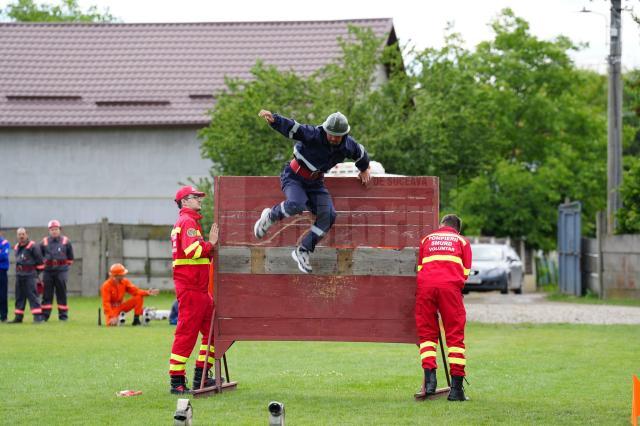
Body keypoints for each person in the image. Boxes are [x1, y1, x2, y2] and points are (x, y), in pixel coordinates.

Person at [254, 110, 371, 273]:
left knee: (329, 215)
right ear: (326, 130)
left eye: (338, 136)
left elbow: (361, 153)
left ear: (344, 134)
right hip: (294, 176)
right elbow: (294, 128)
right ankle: (269, 216)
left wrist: (364, 169)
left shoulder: (348, 145)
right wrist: (275, 120)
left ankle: (303, 250)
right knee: (296, 204)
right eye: (330, 134)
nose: (333, 138)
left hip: (315, 182)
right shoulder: (314, 134)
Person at [415, 214, 472, 402]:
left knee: (427, 336)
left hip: (426, 288)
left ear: (441, 225)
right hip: (450, 289)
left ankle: (430, 382)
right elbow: (465, 273)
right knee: (455, 337)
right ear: (457, 229)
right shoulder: (462, 242)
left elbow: (420, 266)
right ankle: (456, 390)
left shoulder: (426, 239)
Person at [169, 185, 219, 394]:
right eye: (195, 197)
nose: (200, 200)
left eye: (199, 197)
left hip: (199, 290)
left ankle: (202, 375)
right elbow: (193, 251)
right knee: (186, 334)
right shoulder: (187, 222)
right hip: (191, 289)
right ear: (184, 201)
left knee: (213, 332)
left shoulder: (189, 222)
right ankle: (177, 381)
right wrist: (211, 244)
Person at [40, 219, 74, 321]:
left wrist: (61, 266)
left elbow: (70, 258)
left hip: (61, 271)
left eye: (56, 229)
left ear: (60, 230)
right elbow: (40, 256)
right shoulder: (44, 242)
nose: (54, 231)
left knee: (61, 293)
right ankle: (45, 315)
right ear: (49, 231)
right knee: (47, 294)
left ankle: (63, 316)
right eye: (52, 229)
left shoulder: (66, 241)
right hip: (48, 272)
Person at [9, 228, 44, 323]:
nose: (21, 236)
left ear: (27, 234)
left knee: (33, 296)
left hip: (30, 275)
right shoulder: (16, 247)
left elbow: (40, 263)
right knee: (19, 297)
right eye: (19, 234)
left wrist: (34, 274)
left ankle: (38, 317)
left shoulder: (33, 246)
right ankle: (18, 317)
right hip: (19, 276)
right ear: (17, 236)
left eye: (23, 234)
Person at [0, 230, 10, 323]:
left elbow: (4, 256)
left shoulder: (4, 243)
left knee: (2, 295)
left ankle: (3, 316)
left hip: (1, 271)